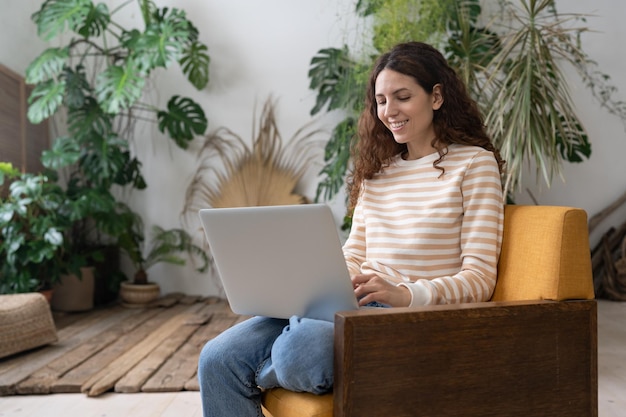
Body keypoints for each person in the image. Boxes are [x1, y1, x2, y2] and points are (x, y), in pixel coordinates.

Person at [197, 41, 505, 416]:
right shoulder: (378, 172)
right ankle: (285, 334)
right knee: (215, 357)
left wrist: (404, 294)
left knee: (300, 350)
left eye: (402, 97)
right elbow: (355, 252)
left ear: (436, 96)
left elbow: (480, 278)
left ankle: (265, 358)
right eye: (381, 101)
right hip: (348, 306)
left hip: (408, 317)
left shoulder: (474, 165)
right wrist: (318, 283)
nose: (389, 111)